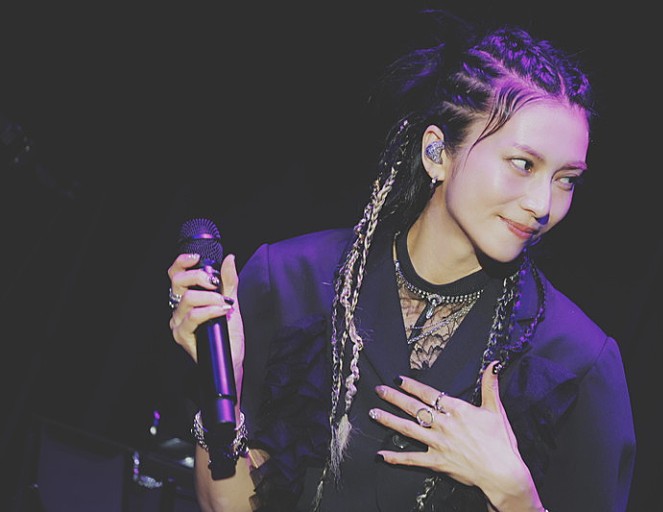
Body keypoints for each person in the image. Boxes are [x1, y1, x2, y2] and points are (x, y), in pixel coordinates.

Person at [167, 10, 636, 512]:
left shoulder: (574, 362)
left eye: (566, 180)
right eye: (523, 164)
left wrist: (514, 492)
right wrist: (222, 383)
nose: (543, 205)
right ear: (438, 152)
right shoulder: (290, 281)